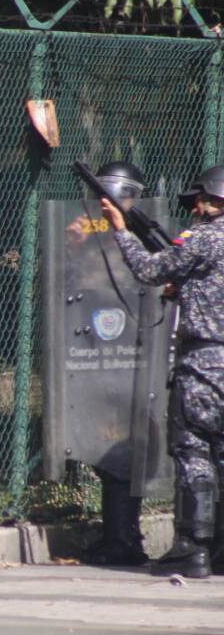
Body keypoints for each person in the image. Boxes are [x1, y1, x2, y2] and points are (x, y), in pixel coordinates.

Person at [100, 165, 224, 578]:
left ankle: (194, 548)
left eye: (201, 202)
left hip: (204, 364)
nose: (197, 211)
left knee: (194, 453)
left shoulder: (204, 239)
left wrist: (119, 228)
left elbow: (149, 270)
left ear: (212, 201)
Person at [77, 161, 152, 567]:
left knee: (122, 444)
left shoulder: (137, 233)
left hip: (130, 351)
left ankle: (123, 538)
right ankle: (120, 536)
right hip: (90, 347)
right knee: (105, 443)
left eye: (120, 193)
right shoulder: (88, 229)